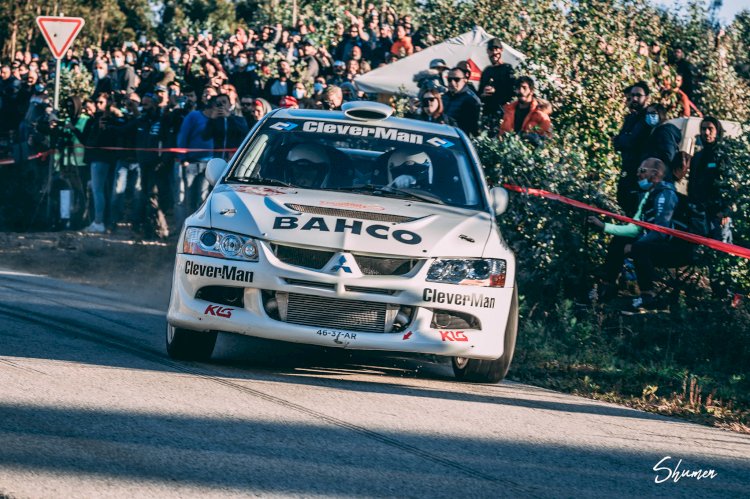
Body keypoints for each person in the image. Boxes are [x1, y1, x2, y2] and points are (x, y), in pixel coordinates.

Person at [588, 158, 691, 310]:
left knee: (639, 248)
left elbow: (660, 231)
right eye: (638, 171)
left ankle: (647, 296)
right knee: (620, 241)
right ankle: (607, 286)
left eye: (642, 171)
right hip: (658, 243)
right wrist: (603, 226)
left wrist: (635, 245)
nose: (638, 174)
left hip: (677, 248)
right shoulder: (649, 195)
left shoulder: (665, 194)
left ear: (655, 174)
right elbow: (634, 228)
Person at [688, 116, 731, 243]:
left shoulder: (724, 156)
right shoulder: (697, 157)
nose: (706, 133)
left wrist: (725, 211)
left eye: (710, 129)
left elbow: (731, 185)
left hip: (717, 214)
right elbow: (692, 183)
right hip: (698, 214)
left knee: (720, 249)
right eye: (703, 129)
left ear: (717, 131)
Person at [613, 81, 652, 217]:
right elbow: (618, 143)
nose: (634, 99)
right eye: (632, 95)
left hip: (640, 172)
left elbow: (631, 141)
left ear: (646, 98)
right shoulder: (630, 118)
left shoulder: (648, 117)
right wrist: (622, 140)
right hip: (627, 169)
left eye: (638, 96)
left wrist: (623, 140)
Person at [498, 76, 552, 140]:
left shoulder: (541, 116)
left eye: (524, 88)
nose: (521, 91)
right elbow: (501, 135)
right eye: (518, 88)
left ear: (531, 91)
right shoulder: (509, 111)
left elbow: (546, 141)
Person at [478, 38, 516, 124]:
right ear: (488, 51)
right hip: (487, 115)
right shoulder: (486, 71)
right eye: (491, 50)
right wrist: (483, 94)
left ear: (501, 50)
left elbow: (512, 92)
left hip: (503, 114)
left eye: (496, 49)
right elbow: (479, 93)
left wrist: (496, 91)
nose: (494, 52)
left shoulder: (508, 69)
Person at [642, 103, 681, 177]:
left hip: (660, 174)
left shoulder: (664, 131)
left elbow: (668, 155)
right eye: (647, 113)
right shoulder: (655, 130)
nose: (649, 116)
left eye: (653, 113)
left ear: (661, 114)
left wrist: (650, 158)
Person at [442, 67, 481, 136]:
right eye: (449, 79)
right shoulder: (444, 97)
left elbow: (473, 129)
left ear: (465, 80)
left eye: (456, 79)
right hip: (442, 134)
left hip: (458, 138)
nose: (452, 82)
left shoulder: (471, 100)